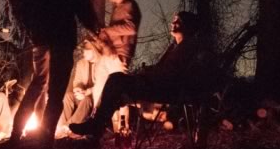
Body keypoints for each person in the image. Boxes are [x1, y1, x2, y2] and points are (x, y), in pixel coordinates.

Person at [7, 0, 99, 149]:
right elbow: (81, 4)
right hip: (62, 40)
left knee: (38, 84)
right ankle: (46, 141)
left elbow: (24, 8)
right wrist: (94, 27)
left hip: (41, 39)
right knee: (56, 91)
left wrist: (32, 30)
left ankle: (15, 135)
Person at [69, 11, 209, 140]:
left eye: (177, 21)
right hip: (155, 84)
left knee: (116, 79)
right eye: (173, 20)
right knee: (116, 86)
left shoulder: (189, 48)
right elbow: (161, 68)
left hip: (164, 89)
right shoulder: (175, 47)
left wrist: (148, 75)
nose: (173, 23)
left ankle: (96, 126)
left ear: (187, 26)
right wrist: (146, 72)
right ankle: (96, 130)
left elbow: (172, 73)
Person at [56, 37, 125, 138]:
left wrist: (87, 92)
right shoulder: (81, 63)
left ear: (94, 50)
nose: (83, 52)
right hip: (82, 95)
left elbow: (102, 85)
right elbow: (77, 81)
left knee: (87, 100)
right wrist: (77, 90)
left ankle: (67, 128)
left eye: (86, 50)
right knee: (68, 96)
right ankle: (60, 127)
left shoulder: (102, 63)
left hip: (95, 98)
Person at [99, 0, 141, 67]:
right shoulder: (117, 8)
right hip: (112, 51)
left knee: (115, 80)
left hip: (121, 54)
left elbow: (131, 28)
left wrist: (108, 30)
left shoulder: (129, 5)